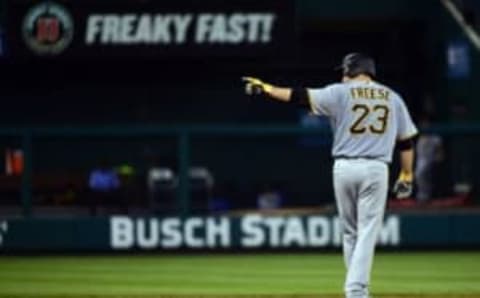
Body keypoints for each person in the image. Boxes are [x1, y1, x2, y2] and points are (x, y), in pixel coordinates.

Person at [242, 53, 417, 298]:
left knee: (350, 232)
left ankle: (357, 290)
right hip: (376, 168)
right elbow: (406, 142)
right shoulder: (392, 97)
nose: (341, 75)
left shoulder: (340, 92)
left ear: (351, 71)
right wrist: (406, 175)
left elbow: (298, 96)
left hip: (344, 168)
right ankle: (356, 290)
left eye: (343, 71)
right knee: (367, 231)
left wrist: (268, 89)